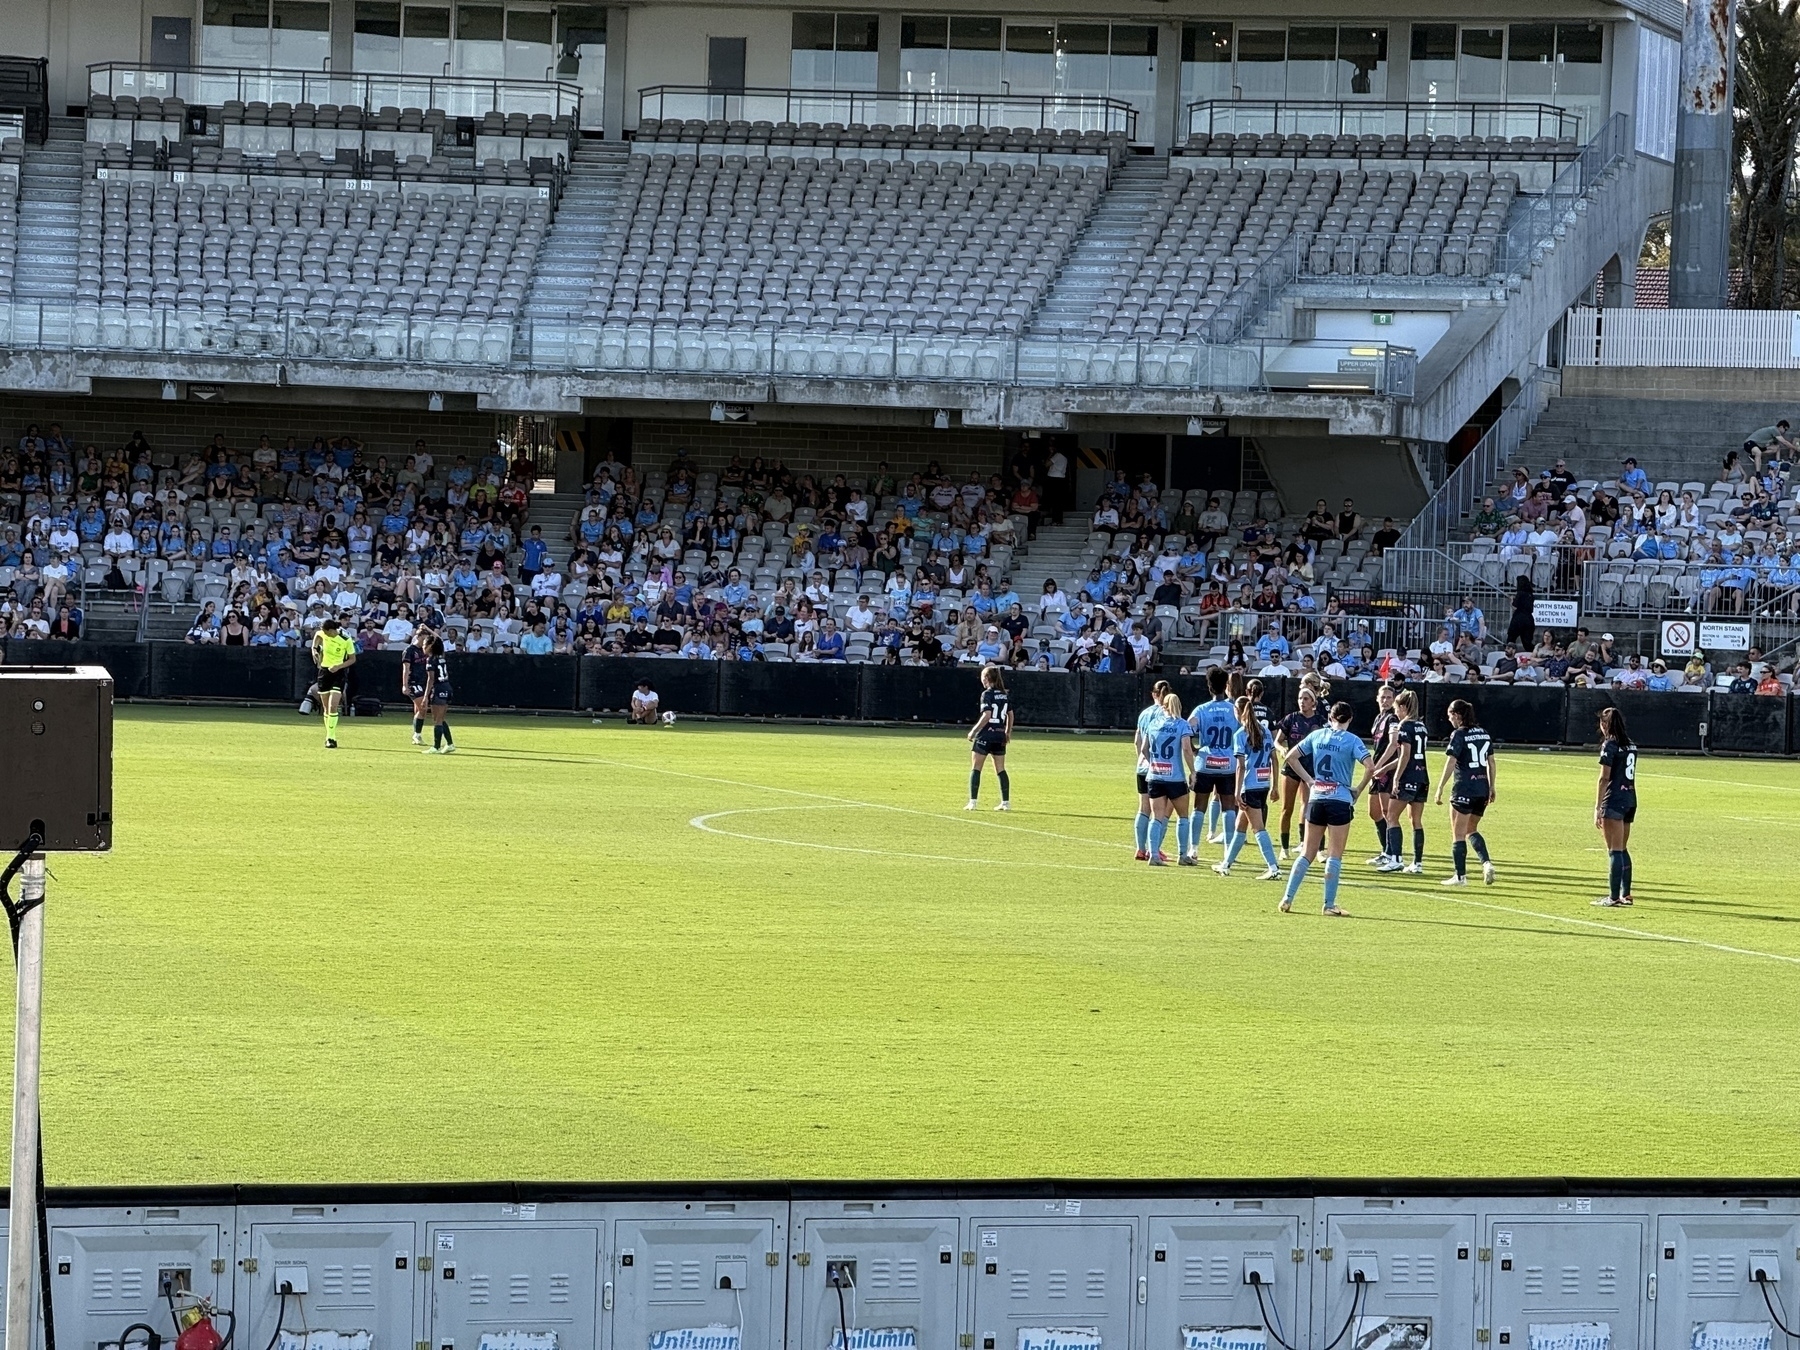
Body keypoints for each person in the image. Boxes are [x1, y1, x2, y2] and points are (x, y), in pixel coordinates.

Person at [1277, 701, 1372, 916]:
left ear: (1330, 718)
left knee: (1307, 852)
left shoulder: (1317, 735)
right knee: (1334, 854)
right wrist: (1357, 789)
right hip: (1339, 799)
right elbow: (1370, 766)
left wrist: (1310, 780)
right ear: (1350, 719)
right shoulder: (1352, 740)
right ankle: (1329, 905)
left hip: (1317, 798)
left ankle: (1287, 897)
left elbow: (1291, 757)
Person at [1215, 695, 1282, 880]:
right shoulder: (1266, 732)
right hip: (1263, 784)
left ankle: (1273, 868)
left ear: (1237, 711)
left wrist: (1237, 793)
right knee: (1240, 827)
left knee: (1258, 829)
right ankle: (1226, 864)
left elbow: (1241, 766)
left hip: (1250, 786)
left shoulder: (1240, 734)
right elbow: (1274, 759)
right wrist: (1275, 786)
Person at [1435, 698, 1497, 886]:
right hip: (1482, 788)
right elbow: (1491, 762)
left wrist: (1440, 787)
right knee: (1472, 829)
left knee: (1458, 833)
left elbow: (1451, 761)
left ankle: (1460, 876)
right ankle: (1486, 863)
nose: (1449, 719)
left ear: (1456, 715)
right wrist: (1492, 787)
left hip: (1464, 787)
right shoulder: (1483, 733)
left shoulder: (1458, 734)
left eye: (1449, 715)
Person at [1186, 668, 1241, 863]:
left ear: (1209, 686)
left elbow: (1186, 730)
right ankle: (1227, 851)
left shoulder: (1201, 710)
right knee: (1228, 807)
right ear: (1226, 685)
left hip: (1205, 763)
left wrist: (1193, 748)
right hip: (1228, 765)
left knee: (1198, 807)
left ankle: (1193, 849)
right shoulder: (1234, 709)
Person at [1142, 691, 1196, 866]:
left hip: (1155, 776)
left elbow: (1144, 748)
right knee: (1183, 817)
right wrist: (1193, 771)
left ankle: (1154, 855)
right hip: (1175, 778)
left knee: (1156, 817)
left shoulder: (1153, 724)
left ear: (1163, 706)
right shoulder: (1182, 725)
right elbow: (1187, 750)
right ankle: (1182, 855)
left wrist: (1153, 763)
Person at [1380, 690, 1431, 874]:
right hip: (1422, 777)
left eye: (1396, 708)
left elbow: (1405, 754)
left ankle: (1396, 859)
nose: (1396, 713)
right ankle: (1417, 863)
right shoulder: (1422, 726)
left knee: (1391, 816)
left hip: (1408, 777)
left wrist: (1396, 777)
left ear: (1402, 707)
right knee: (1416, 820)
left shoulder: (1405, 726)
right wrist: (1385, 768)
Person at [1592, 706, 1638, 907]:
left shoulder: (1609, 745)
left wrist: (1597, 807)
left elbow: (1604, 778)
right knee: (1623, 848)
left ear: (1605, 724)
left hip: (1614, 799)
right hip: (1630, 798)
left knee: (1614, 850)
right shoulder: (1631, 745)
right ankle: (1625, 894)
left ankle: (1612, 898)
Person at [1275, 685, 1326, 858]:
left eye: (1306, 699)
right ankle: (1284, 847)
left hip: (1311, 769)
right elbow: (1277, 741)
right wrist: (1281, 749)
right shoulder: (1291, 719)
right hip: (1292, 768)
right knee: (1286, 808)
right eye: (1300, 698)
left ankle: (1313, 846)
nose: (1302, 702)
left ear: (1313, 702)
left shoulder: (1320, 721)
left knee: (1311, 807)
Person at [1132, 679, 1173, 860]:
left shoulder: (1144, 713)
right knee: (1162, 811)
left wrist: (1142, 760)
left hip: (1142, 767)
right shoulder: (1167, 714)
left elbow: (1137, 742)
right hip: (1162, 769)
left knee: (1143, 809)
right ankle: (1154, 848)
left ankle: (1140, 848)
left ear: (1153, 694)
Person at [966, 664, 1015, 812]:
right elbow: (1010, 715)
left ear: (986, 678)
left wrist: (973, 731)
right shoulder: (1004, 694)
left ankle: (973, 802)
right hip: (999, 734)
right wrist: (1007, 732)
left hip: (986, 734)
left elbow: (987, 715)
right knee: (1000, 769)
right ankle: (1005, 803)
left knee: (976, 768)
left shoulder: (986, 694)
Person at [1365, 683, 1400, 868]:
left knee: (1387, 812)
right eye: (1383, 697)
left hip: (1387, 769)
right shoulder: (1379, 718)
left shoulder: (1392, 719)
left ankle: (1392, 854)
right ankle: (1386, 851)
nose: (1385, 700)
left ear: (1394, 700)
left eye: (1389, 697)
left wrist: (1380, 766)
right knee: (1374, 812)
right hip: (1377, 769)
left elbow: (1393, 744)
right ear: (1377, 698)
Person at [308, 617, 356, 749]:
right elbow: (316, 638)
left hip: (338, 673)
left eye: (325, 631)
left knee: (333, 706)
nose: (323, 633)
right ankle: (328, 736)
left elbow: (352, 659)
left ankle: (331, 737)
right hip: (324, 671)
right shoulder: (322, 633)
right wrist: (314, 650)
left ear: (331, 630)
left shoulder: (345, 639)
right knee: (325, 707)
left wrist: (339, 666)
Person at [422, 634, 457, 754]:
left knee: (437, 720)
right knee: (440, 719)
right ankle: (450, 744)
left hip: (439, 689)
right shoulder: (442, 657)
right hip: (447, 687)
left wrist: (425, 696)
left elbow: (430, 679)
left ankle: (436, 747)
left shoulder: (431, 660)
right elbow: (439, 640)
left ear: (430, 646)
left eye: (424, 644)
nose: (423, 647)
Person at [402, 628, 431, 745]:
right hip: (414, 682)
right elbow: (406, 669)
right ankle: (417, 735)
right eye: (424, 638)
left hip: (424, 681)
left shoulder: (425, 650)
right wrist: (404, 685)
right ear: (419, 637)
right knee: (423, 707)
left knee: (419, 710)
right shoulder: (409, 650)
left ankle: (416, 733)